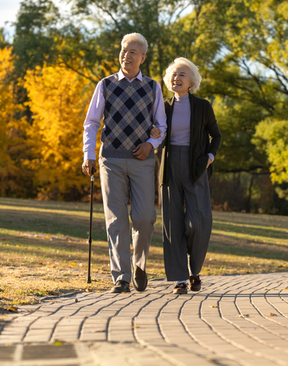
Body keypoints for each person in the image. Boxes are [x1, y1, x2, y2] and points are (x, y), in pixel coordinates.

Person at [82, 33, 166, 294]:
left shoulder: (153, 87)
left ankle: (139, 264)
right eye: (123, 50)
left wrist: (150, 145)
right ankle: (121, 277)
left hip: (142, 161)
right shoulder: (105, 85)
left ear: (142, 57)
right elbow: (92, 122)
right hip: (111, 160)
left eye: (132, 52)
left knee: (144, 217)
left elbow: (162, 126)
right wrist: (89, 154)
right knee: (116, 219)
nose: (126, 55)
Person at [155, 57, 221, 294]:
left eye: (182, 74)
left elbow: (216, 136)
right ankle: (181, 278)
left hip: (196, 169)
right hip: (170, 167)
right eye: (173, 74)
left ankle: (195, 270)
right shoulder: (163, 106)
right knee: (172, 225)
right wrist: (154, 135)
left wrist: (209, 158)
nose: (176, 78)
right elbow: (156, 136)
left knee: (198, 223)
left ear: (192, 80)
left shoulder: (203, 106)